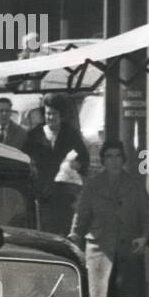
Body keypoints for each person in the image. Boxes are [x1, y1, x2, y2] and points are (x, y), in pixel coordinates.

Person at [70, 139, 149, 297]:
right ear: (103, 160)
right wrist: (74, 234)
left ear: (123, 159)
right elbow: (81, 214)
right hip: (99, 252)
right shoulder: (92, 185)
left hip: (129, 254)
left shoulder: (135, 185)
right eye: (109, 156)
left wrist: (145, 237)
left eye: (118, 156)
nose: (114, 161)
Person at [25, 94, 89, 235]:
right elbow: (24, 159)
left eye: (54, 114)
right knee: (42, 232)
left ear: (62, 115)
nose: (51, 117)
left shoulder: (70, 134)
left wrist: (77, 165)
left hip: (64, 196)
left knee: (63, 232)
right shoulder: (34, 135)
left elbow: (85, 159)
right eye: (48, 113)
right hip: (40, 195)